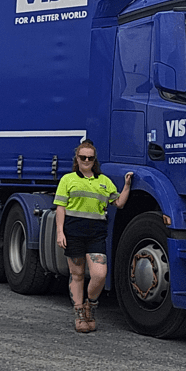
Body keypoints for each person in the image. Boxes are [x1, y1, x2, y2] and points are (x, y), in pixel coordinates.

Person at [53, 140, 133, 333]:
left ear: (94, 159)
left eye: (90, 157)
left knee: (99, 274)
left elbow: (119, 203)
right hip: (73, 232)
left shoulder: (104, 181)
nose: (86, 160)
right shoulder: (68, 180)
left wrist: (127, 185)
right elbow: (60, 208)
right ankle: (80, 314)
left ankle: (91, 304)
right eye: (83, 157)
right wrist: (60, 232)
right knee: (77, 274)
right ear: (77, 159)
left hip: (96, 233)